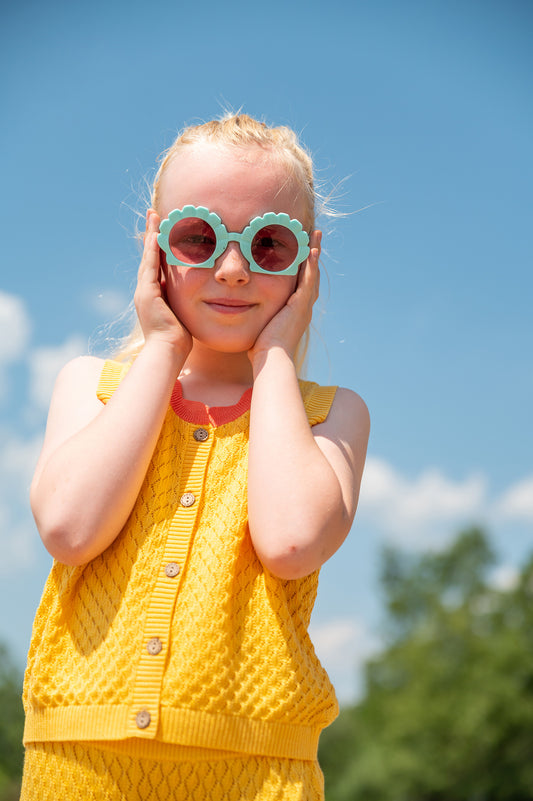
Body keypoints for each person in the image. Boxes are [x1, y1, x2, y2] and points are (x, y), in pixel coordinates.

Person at [21, 113, 370, 801]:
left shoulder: (330, 415)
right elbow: (69, 528)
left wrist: (274, 355)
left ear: (307, 260)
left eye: (269, 243)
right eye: (198, 238)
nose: (233, 269)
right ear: (153, 243)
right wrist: (161, 349)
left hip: (260, 772)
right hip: (78, 766)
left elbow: (292, 539)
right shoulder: (91, 387)